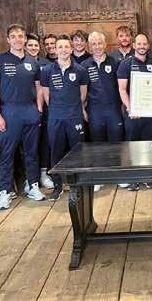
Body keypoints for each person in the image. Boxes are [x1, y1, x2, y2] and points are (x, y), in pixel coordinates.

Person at [0, 24, 46, 210]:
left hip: (30, 112)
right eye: (13, 36)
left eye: (20, 36)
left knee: (32, 152)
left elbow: (39, 88)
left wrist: (38, 109)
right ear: (8, 39)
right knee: (6, 154)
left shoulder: (33, 62)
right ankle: (5, 192)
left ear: (25, 39)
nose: (17, 39)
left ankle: (33, 186)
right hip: (9, 112)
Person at [41, 35, 89, 200]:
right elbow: (46, 96)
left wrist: (72, 107)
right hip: (55, 117)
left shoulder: (80, 70)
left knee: (78, 151)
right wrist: (59, 108)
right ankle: (57, 185)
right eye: (60, 47)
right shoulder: (47, 70)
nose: (63, 50)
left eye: (66, 47)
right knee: (56, 150)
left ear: (71, 49)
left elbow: (83, 94)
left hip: (75, 116)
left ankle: (78, 184)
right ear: (55, 49)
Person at [117, 33, 152, 191]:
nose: (142, 46)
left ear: (148, 46)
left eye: (144, 44)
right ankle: (132, 178)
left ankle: (147, 177)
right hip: (133, 113)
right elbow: (122, 89)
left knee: (149, 145)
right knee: (132, 146)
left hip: (150, 113)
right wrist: (130, 107)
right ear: (134, 45)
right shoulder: (125, 64)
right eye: (139, 44)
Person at [82, 31, 123, 144]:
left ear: (105, 44)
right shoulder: (84, 66)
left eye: (100, 43)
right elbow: (81, 91)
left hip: (114, 110)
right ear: (89, 47)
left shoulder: (115, 62)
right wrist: (82, 108)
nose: (97, 47)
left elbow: (122, 87)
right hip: (94, 111)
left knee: (117, 144)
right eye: (94, 44)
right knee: (97, 145)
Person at [25, 33, 54, 190]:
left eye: (36, 45)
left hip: (46, 110)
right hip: (28, 109)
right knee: (29, 144)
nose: (33, 48)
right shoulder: (20, 63)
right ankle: (30, 178)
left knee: (45, 141)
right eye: (30, 45)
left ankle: (43, 173)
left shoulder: (46, 64)